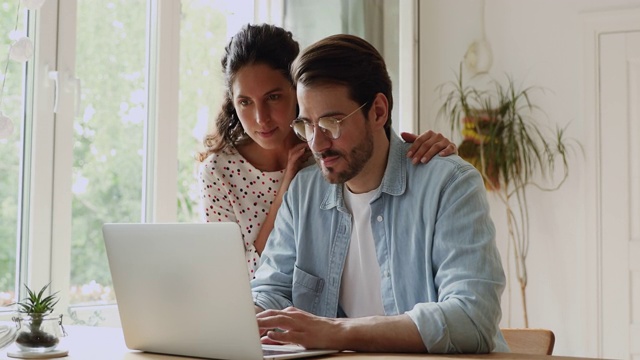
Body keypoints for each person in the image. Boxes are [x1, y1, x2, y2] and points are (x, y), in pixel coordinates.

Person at [251, 33, 509, 354]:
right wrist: (241, 315)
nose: (316, 144)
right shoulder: (304, 192)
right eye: (306, 125)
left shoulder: (449, 184)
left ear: (377, 111)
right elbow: (271, 289)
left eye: (331, 123)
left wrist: (337, 332)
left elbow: (472, 317)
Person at [197, 24, 457, 278]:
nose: (261, 118)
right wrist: (286, 188)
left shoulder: (332, 154)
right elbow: (237, 281)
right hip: (263, 312)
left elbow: (378, 147)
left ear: (296, 91)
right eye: (245, 102)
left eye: (273, 97)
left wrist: (436, 155)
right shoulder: (219, 172)